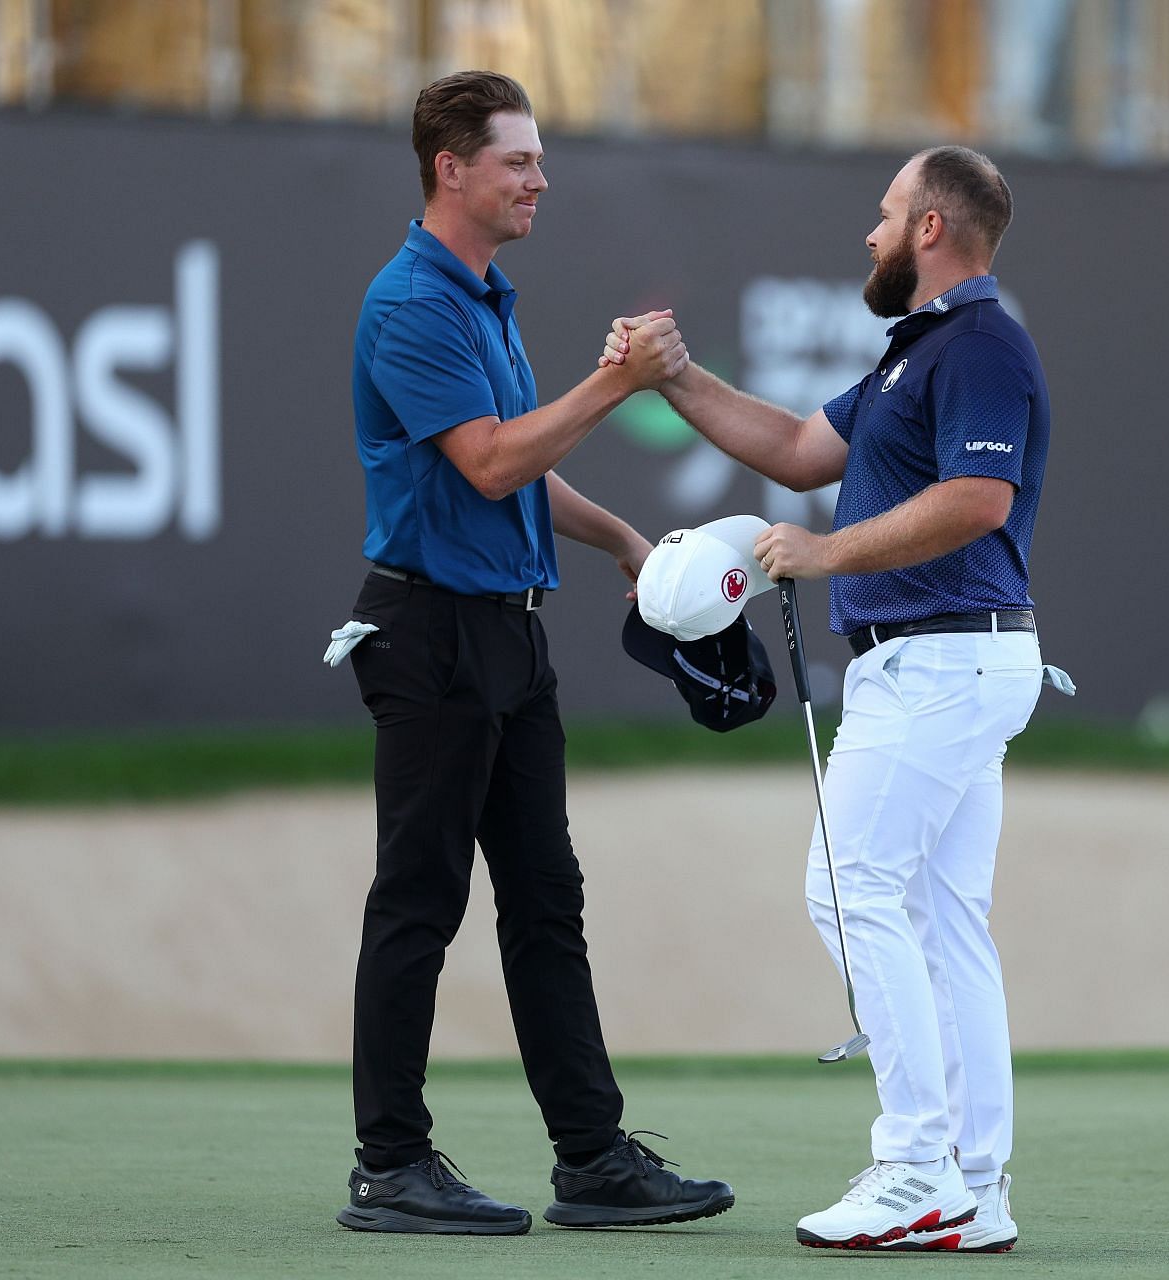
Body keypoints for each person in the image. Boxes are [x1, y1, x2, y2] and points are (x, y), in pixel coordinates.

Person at [602, 145, 1051, 1253]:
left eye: (887, 212)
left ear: (933, 230)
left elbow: (980, 498)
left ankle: (914, 1166)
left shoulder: (982, 341)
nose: (871, 231)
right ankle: (976, 1182)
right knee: (944, 922)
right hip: (948, 658)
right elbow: (803, 449)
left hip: (942, 658)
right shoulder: (919, 351)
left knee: (848, 887)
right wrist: (677, 376)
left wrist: (828, 553)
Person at [333, 70, 733, 1236]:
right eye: (517, 161)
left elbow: (520, 460)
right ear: (450, 168)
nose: (539, 180)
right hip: (428, 633)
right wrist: (617, 380)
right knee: (420, 897)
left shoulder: (485, 296)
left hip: (508, 633)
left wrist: (616, 535)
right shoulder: (411, 301)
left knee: (546, 899)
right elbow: (491, 462)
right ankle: (388, 1163)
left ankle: (593, 1157)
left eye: (538, 160)